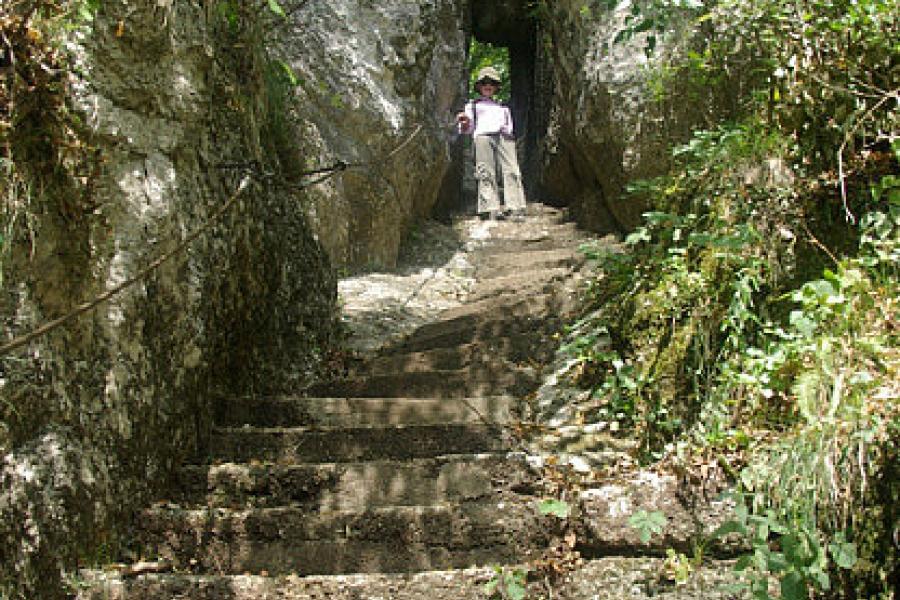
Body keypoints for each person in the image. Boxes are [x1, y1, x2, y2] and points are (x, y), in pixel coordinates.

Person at [456, 66, 526, 221]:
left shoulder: (503, 107)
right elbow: (466, 129)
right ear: (479, 86)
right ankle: (489, 208)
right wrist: (465, 121)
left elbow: (510, 126)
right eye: (484, 82)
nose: (488, 85)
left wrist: (510, 136)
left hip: (504, 138)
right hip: (483, 137)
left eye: (492, 83)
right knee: (485, 172)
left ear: (496, 87)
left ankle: (515, 206)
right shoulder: (472, 106)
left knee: (512, 170)